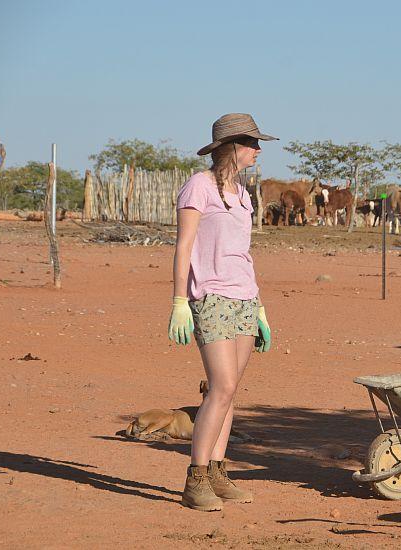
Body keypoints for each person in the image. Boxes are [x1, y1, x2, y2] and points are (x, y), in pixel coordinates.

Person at [168, 113, 276, 511]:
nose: (258, 150)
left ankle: (217, 471)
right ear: (232, 146)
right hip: (209, 297)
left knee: (231, 392)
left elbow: (242, 254)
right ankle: (195, 478)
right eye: (252, 143)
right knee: (222, 387)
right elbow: (184, 247)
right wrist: (180, 300)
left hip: (245, 299)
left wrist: (260, 306)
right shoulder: (199, 186)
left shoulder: (244, 194)